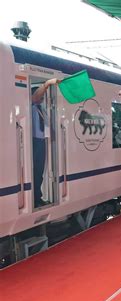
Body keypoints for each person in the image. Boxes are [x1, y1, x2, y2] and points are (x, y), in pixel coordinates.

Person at [31, 78, 60, 207]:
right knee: (35, 171)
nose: (42, 98)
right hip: (33, 142)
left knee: (40, 171)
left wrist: (53, 136)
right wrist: (47, 84)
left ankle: (37, 197)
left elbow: (47, 126)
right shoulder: (31, 106)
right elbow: (35, 98)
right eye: (41, 95)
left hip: (42, 142)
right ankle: (35, 198)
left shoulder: (41, 109)